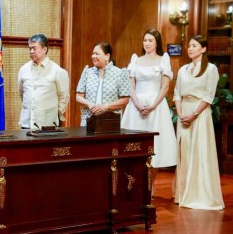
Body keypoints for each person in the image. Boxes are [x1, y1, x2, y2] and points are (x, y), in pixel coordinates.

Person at [121, 28, 177, 193]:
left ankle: (150, 185)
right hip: (136, 106)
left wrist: (152, 105)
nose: (147, 43)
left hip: (156, 106)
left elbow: (165, 87)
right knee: (134, 146)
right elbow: (131, 86)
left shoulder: (163, 59)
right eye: (145, 40)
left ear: (156, 43)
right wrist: (137, 104)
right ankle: (135, 185)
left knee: (155, 148)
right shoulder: (135, 60)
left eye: (150, 40)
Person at [172, 35, 225, 210]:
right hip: (183, 113)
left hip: (200, 114)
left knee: (199, 152)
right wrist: (180, 114)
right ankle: (182, 193)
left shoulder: (210, 69)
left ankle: (200, 193)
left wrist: (194, 114)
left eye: (194, 45)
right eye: (189, 45)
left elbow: (208, 96)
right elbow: (177, 94)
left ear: (203, 49)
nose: (190, 48)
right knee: (184, 153)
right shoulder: (183, 70)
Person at [18, 34, 70, 129]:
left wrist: (53, 114)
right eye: (30, 49)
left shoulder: (57, 71)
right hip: (27, 123)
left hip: (48, 124)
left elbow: (64, 97)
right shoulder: (23, 69)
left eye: (34, 48)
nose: (31, 51)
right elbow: (22, 94)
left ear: (44, 49)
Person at [76, 42, 130, 125]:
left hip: (110, 123)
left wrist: (105, 107)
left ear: (107, 56)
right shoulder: (87, 72)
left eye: (97, 54)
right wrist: (89, 104)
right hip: (88, 122)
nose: (93, 56)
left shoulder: (120, 73)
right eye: (93, 54)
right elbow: (79, 97)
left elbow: (125, 99)